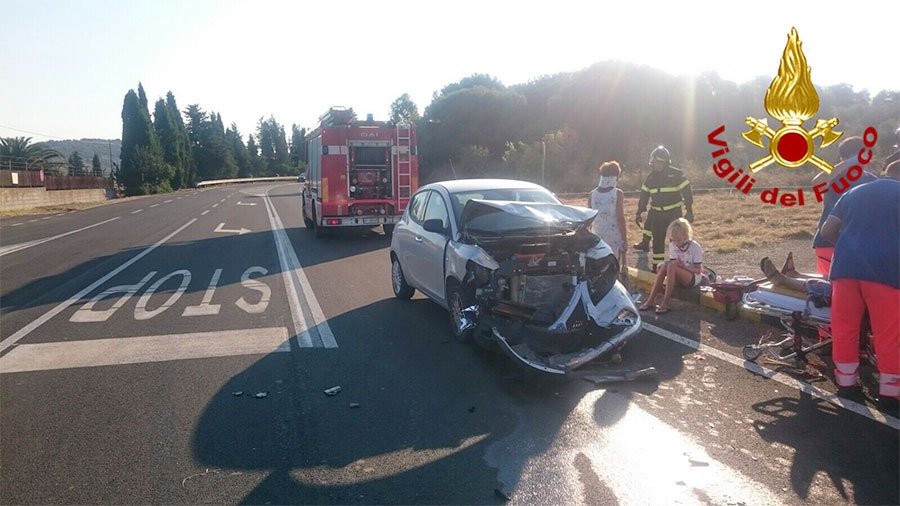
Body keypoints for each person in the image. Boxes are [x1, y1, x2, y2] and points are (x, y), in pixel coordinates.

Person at [821, 160, 900, 408]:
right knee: (888, 332)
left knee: (845, 329)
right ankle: (890, 392)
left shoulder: (853, 192)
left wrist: (846, 248)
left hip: (845, 269)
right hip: (885, 271)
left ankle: (846, 384)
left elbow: (827, 230)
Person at [811, 136, 877, 277]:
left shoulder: (871, 179)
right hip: (829, 243)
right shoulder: (835, 178)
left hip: (860, 246)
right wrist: (849, 162)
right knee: (825, 292)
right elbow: (817, 183)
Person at [634, 146, 694, 272]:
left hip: (674, 213)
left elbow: (687, 192)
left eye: (657, 162)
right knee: (658, 240)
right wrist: (639, 211)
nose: (655, 165)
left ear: (665, 162)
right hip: (657, 214)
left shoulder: (677, 174)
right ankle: (657, 268)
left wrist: (689, 210)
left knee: (677, 239)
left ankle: (680, 266)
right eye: (654, 163)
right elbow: (644, 196)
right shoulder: (651, 178)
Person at [638, 218, 703, 314]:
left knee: (670, 266)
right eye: (674, 240)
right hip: (678, 274)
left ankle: (665, 303)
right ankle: (650, 300)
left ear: (685, 236)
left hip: (692, 277)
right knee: (664, 265)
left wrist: (682, 266)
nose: (676, 243)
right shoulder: (672, 244)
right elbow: (671, 264)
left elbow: (698, 270)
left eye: (679, 240)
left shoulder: (695, 247)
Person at [588, 161, 627, 265]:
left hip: (597, 235)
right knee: (613, 267)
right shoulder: (617, 193)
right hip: (614, 236)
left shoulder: (592, 194)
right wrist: (624, 239)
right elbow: (620, 218)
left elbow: (589, 220)